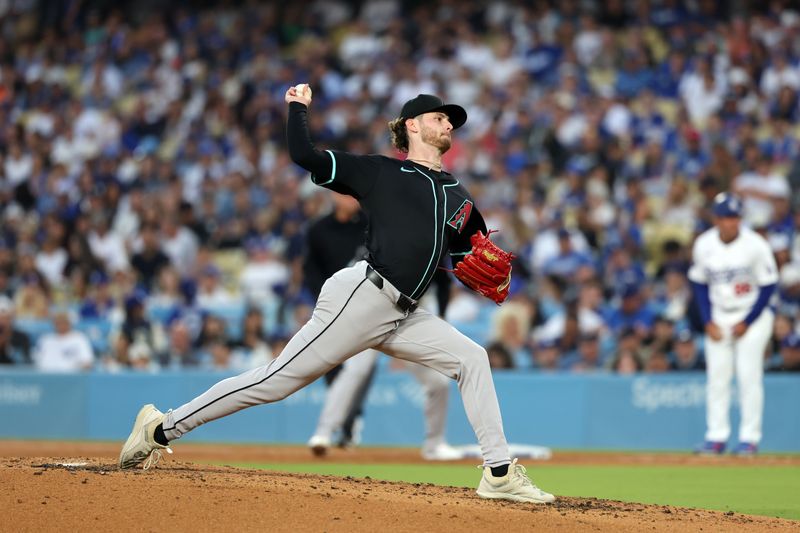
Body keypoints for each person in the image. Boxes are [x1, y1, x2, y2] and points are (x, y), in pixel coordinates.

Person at [119, 88, 555, 504]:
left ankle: (498, 473)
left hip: (405, 313)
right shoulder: (382, 171)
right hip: (363, 295)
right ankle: (160, 428)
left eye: (450, 120)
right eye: (439, 117)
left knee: (472, 358)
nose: (448, 125)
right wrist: (298, 108)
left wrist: (491, 263)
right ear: (412, 127)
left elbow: (470, 249)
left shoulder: (456, 192)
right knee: (275, 382)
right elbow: (303, 155)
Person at [689, 192, 778, 456]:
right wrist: (707, 321)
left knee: (748, 376)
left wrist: (747, 321)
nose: (732, 222)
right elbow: (698, 283)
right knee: (717, 378)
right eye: (727, 217)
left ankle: (749, 438)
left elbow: (768, 285)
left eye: (736, 217)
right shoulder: (704, 244)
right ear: (716, 219)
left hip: (752, 314)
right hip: (719, 315)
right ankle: (716, 437)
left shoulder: (755, 245)